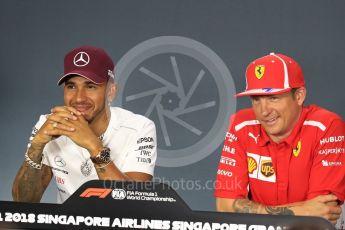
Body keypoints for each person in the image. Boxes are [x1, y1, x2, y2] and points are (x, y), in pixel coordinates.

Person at [12, 46, 157, 203]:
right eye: (71, 86)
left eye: (90, 86)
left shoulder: (139, 128)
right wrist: (36, 147)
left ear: (111, 91)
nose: (79, 98)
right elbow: (24, 203)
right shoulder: (50, 124)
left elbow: (134, 205)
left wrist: (94, 146)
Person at [215, 52, 345, 225]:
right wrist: (302, 210)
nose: (264, 111)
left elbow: (322, 214)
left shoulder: (327, 126)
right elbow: (224, 206)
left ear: (299, 96)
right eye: (256, 100)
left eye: (273, 98)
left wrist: (256, 214)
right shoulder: (241, 125)